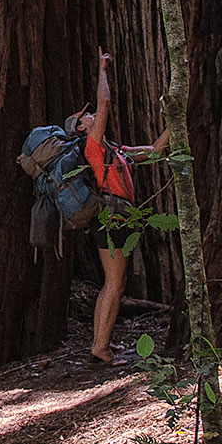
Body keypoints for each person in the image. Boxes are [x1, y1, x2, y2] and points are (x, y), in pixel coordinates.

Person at [70, 50, 171, 364]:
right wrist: (102, 69)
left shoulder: (116, 151)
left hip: (118, 217)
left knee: (114, 282)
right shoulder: (93, 147)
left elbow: (155, 151)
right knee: (115, 282)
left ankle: (99, 344)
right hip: (111, 218)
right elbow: (105, 104)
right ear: (82, 128)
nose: (91, 115)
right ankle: (100, 346)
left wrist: (177, 121)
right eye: (85, 117)